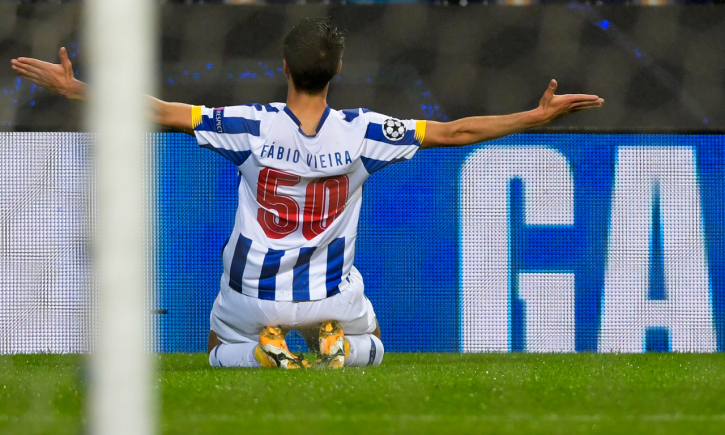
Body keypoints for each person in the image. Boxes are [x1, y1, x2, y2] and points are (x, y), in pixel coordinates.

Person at [10, 17, 603, 369]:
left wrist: (76, 89)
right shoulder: (366, 132)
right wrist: (535, 115)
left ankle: (256, 354)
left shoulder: (248, 125)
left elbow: (161, 112)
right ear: (337, 70)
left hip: (251, 294)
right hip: (331, 295)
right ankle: (341, 348)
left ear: (285, 67)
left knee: (215, 347)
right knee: (374, 344)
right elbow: (456, 132)